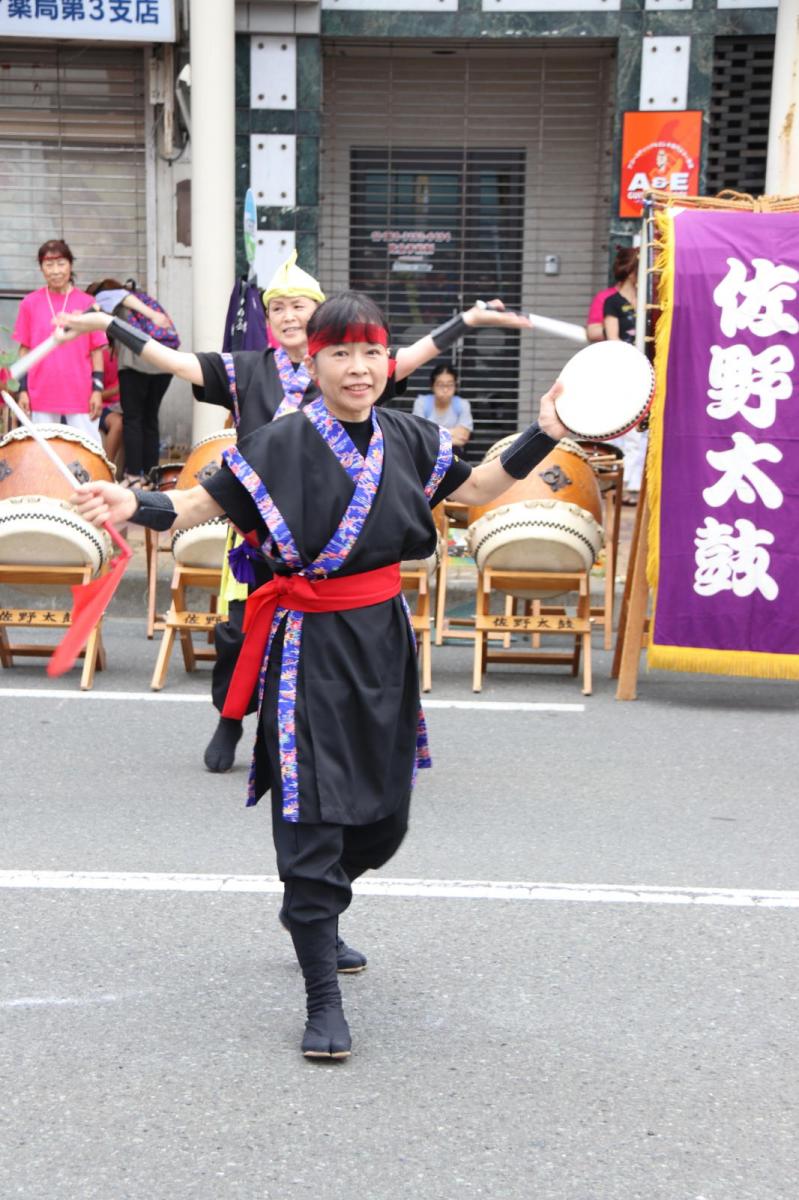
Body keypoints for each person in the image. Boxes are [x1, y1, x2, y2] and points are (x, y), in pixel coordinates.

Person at [68, 290, 570, 1060]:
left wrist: (543, 431)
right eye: (341, 352)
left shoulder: (408, 435)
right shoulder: (279, 441)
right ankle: (321, 992)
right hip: (305, 643)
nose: (359, 367)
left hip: (382, 642)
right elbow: (200, 502)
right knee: (311, 812)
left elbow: (473, 489)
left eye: (372, 351)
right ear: (316, 359)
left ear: (385, 360)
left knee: (383, 817)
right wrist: (129, 502)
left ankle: (320, 903)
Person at [59, 251, 533, 778]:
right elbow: (167, 364)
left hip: (356, 572)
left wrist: (469, 323)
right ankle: (233, 719)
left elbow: (430, 386)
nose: (289, 314)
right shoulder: (245, 368)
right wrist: (107, 323)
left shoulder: (363, 383)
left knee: (365, 756)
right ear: (300, 345)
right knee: (241, 634)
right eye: (278, 306)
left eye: (301, 305)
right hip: (256, 526)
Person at [86, 279, 179, 489]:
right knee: (149, 420)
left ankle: (134, 476)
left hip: (136, 364)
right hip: (163, 365)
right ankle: (151, 476)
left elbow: (122, 297)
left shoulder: (109, 295)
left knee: (133, 419)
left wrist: (152, 315)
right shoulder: (142, 296)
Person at [12, 240, 107, 442]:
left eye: (61, 263)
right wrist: (23, 390)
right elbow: (25, 350)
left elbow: (96, 350)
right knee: (42, 454)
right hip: (41, 393)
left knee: (88, 451)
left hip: (80, 394)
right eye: (49, 265)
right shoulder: (30, 303)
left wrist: (97, 390)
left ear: (70, 265)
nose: (55, 271)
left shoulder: (87, 303)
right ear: (41, 268)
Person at [602, 249, 646, 503]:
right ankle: (618, 482)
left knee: (640, 430)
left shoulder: (647, 300)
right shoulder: (613, 301)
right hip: (621, 369)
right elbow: (613, 337)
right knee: (621, 428)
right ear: (631, 272)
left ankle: (634, 485)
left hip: (645, 370)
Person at [412, 363, 473, 454]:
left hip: (453, 455)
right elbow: (419, 434)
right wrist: (452, 435)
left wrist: (431, 436)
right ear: (432, 386)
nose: (445, 390)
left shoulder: (462, 404)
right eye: (440, 385)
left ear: (455, 386)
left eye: (450, 385)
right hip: (426, 454)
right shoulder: (422, 402)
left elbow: (463, 437)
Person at [98, 345, 124, 467]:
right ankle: (107, 468)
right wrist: (116, 390)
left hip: (124, 406)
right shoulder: (103, 355)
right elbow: (94, 395)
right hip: (103, 406)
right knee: (118, 423)